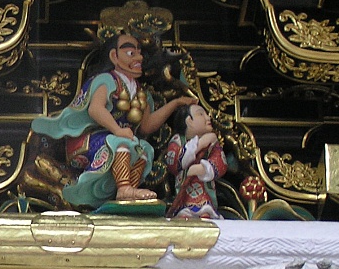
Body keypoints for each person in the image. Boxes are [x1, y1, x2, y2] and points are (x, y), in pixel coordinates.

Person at [31, 33, 195, 208]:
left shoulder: (140, 91)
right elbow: (96, 109)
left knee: (144, 148)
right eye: (131, 53)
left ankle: (129, 190)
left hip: (121, 140)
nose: (139, 58)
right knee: (121, 143)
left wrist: (175, 104)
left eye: (139, 53)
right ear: (114, 56)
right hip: (88, 142)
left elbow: (146, 126)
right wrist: (118, 130)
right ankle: (124, 189)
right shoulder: (107, 80)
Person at [164, 102, 228, 219]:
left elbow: (221, 162)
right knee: (184, 212)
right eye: (201, 114)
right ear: (189, 121)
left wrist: (204, 168)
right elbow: (173, 163)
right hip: (184, 192)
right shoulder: (177, 141)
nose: (208, 117)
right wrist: (200, 144)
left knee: (205, 209)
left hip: (204, 191)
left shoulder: (212, 143)